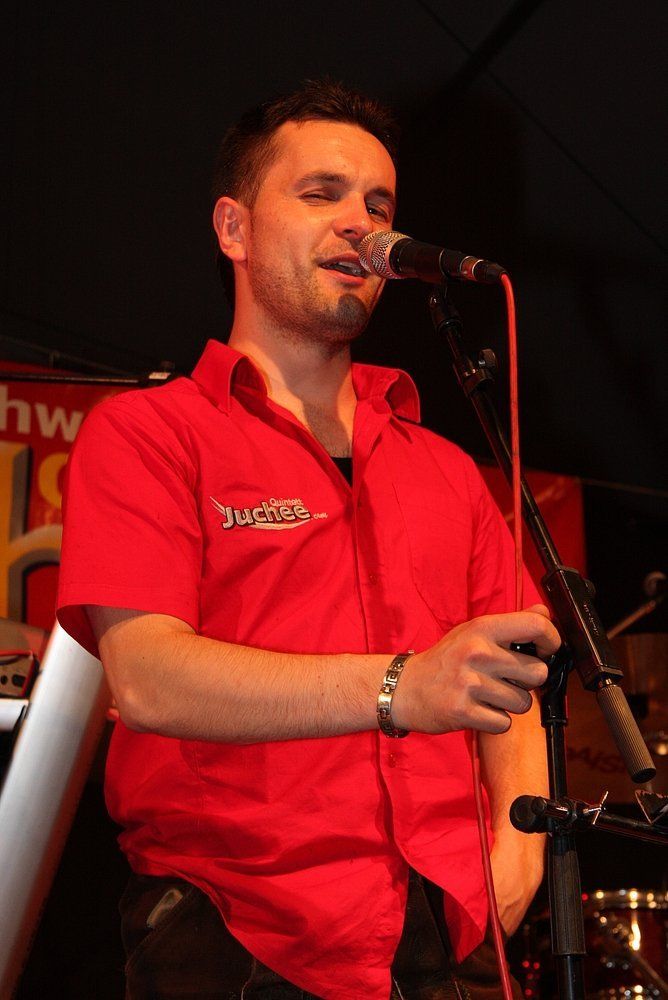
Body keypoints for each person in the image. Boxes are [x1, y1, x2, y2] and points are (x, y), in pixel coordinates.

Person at [57, 80, 560, 1000]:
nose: (360, 225)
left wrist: (516, 852)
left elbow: (513, 676)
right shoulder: (148, 434)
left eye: (379, 205)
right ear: (235, 229)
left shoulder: (445, 467)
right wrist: (402, 686)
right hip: (238, 927)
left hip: (451, 928)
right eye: (321, 193)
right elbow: (147, 676)